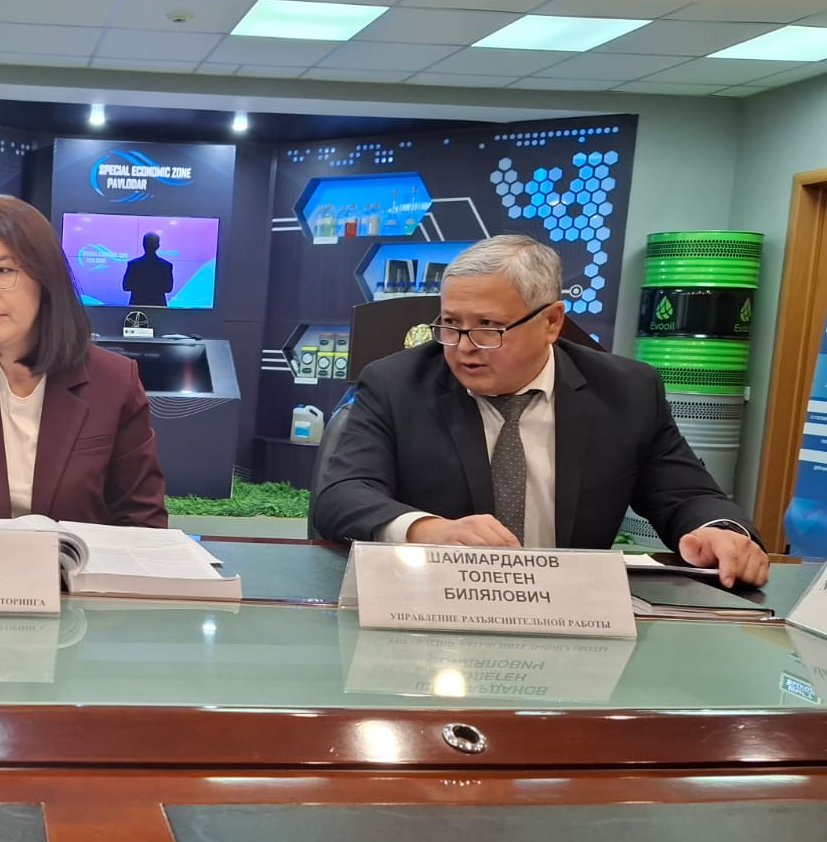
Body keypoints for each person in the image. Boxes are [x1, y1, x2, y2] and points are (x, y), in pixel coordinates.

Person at [310, 234, 769, 587]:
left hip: (572, 612)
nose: (463, 347)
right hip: (429, 600)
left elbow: (686, 495)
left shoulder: (627, 391)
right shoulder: (395, 384)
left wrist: (720, 531)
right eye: (450, 324)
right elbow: (342, 495)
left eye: (488, 327)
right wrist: (429, 530)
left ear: (551, 322)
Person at [0, 196, 167, 527]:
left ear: (45, 277)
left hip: (79, 563)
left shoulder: (115, 381)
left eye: (3, 270)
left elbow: (142, 521)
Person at [122, 231, 174, 308]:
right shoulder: (166, 266)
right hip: (159, 307)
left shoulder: (133, 264)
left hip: (137, 307)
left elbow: (126, 287)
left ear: (143, 245)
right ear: (158, 246)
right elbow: (168, 289)